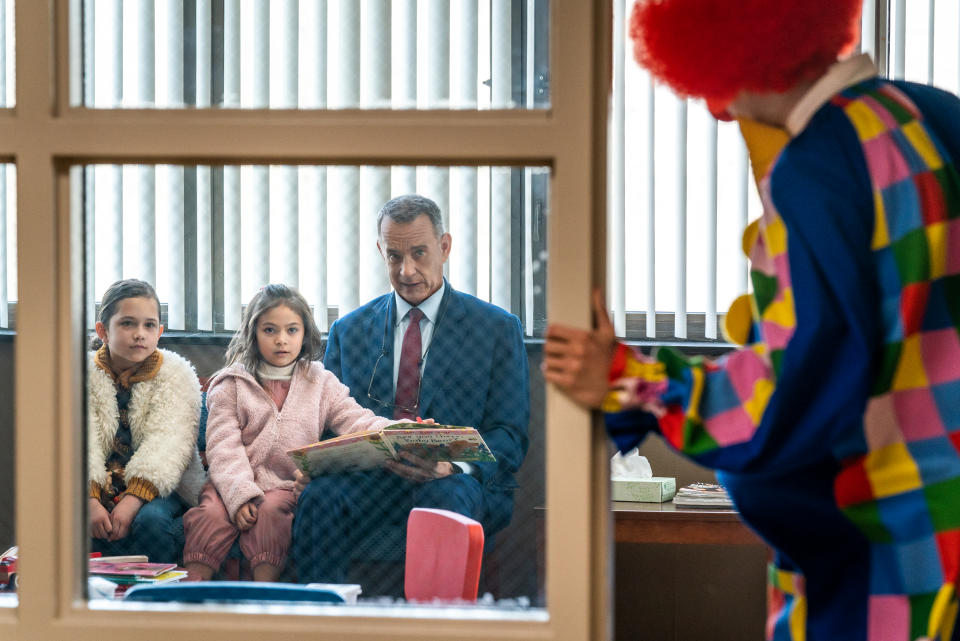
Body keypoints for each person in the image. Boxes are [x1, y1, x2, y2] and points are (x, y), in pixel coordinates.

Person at [544, 2, 960, 640]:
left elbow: (791, 389)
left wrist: (630, 381)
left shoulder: (819, 167)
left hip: (890, 562)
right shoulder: (936, 113)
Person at [292, 194, 530, 587]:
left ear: (445, 246)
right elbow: (327, 427)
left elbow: (510, 437)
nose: (407, 270)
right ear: (380, 252)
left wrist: (450, 464)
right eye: (394, 256)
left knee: (447, 502)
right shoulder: (348, 332)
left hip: (454, 480)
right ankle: (325, 623)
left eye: (420, 253)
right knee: (319, 500)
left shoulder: (497, 329)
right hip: (370, 478)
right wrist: (318, 465)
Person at [182, 284, 398, 582]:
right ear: (254, 333)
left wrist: (399, 431)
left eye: (291, 330)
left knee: (271, 513)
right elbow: (223, 448)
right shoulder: (230, 384)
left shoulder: (320, 382)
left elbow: (356, 419)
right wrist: (240, 495)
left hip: (282, 485)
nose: (281, 340)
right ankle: (191, 592)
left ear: (304, 333)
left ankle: (265, 592)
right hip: (229, 485)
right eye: (270, 330)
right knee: (210, 515)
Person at [88, 279, 205, 563]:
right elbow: (73, 440)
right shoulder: (80, 374)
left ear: (160, 332)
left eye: (149, 325)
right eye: (127, 324)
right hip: (94, 485)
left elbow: (169, 443)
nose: (139, 334)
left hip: (158, 488)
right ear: (103, 330)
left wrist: (133, 499)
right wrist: (89, 499)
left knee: (151, 522)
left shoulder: (176, 374)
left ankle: (157, 599)